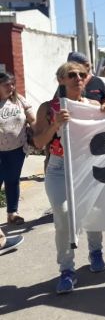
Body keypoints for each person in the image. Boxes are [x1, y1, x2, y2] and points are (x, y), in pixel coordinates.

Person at [31, 61, 105, 294]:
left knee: (91, 210)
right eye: (72, 75)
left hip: (85, 165)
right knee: (63, 214)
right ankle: (67, 269)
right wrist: (55, 124)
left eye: (82, 74)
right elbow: (38, 143)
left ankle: (95, 250)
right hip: (58, 168)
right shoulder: (48, 109)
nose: (78, 78)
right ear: (61, 80)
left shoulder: (92, 105)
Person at [1, 72, 35, 225]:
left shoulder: (18, 99)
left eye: (12, 84)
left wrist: (38, 132)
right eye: (6, 85)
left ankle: (12, 213)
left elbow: (32, 118)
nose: (11, 87)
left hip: (17, 149)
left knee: (12, 181)